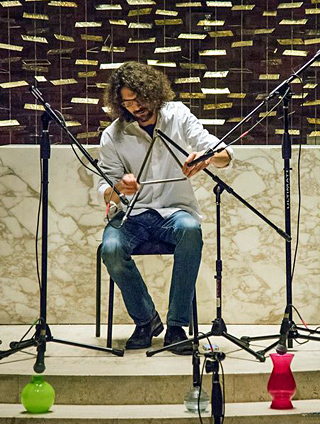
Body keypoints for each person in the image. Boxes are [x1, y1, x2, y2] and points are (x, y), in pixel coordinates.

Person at [97, 61, 233, 355]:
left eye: (139, 99)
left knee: (191, 229)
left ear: (153, 92)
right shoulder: (114, 134)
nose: (135, 108)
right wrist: (120, 186)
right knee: (110, 248)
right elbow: (104, 186)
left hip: (175, 211)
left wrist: (206, 158)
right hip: (133, 215)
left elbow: (222, 153)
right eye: (127, 103)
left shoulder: (178, 116)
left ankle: (176, 327)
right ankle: (146, 320)